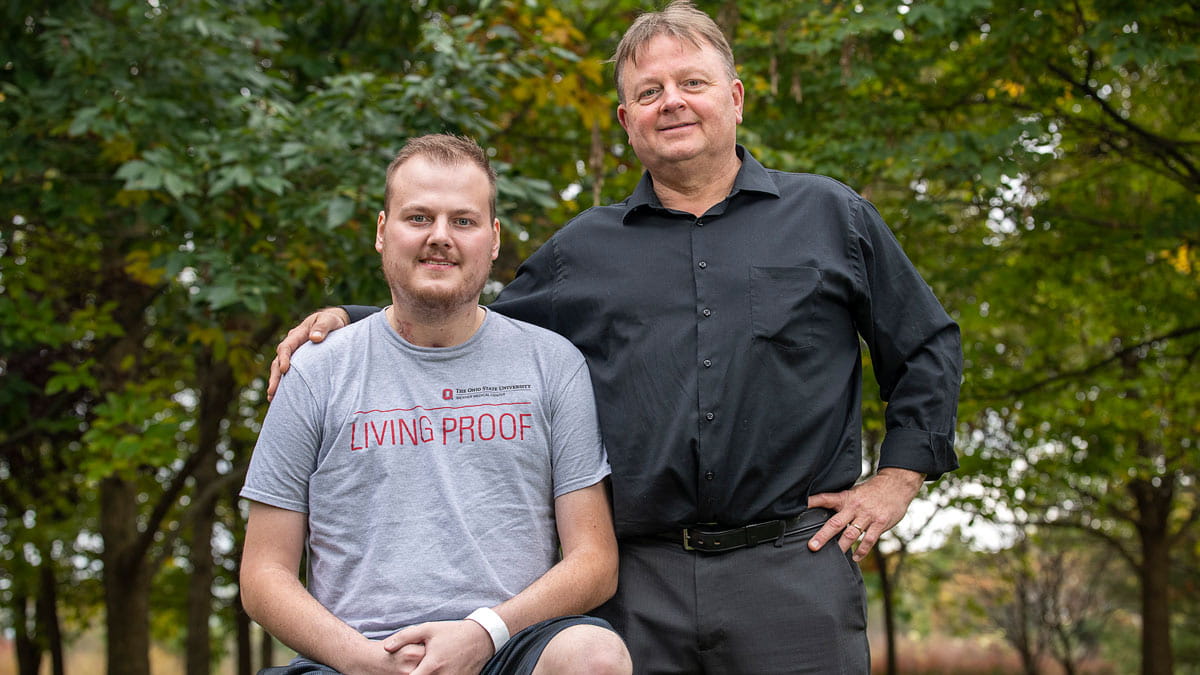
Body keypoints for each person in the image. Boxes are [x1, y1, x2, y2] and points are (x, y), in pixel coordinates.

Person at [269, 3, 962, 672]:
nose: (673, 102)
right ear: (628, 120)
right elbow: (486, 320)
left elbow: (926, 343)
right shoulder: (584, 252)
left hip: (791, 564)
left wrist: (899, 478)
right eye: (649, 92)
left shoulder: (832, 217)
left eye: (692, 83)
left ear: (736, 96)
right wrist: (353, 320)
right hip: (638, 583)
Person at [241, 134, 631, 675]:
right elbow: (263, 573)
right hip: (350, 657)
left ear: (493, 239)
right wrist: (363, 660)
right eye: (419, 218)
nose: (440, 237)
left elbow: (595, 562)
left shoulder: (552, 364)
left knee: (595, 656)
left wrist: (482, 633)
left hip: (509, 646)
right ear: (383, 232)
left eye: (463, 221)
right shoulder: (315, 371)